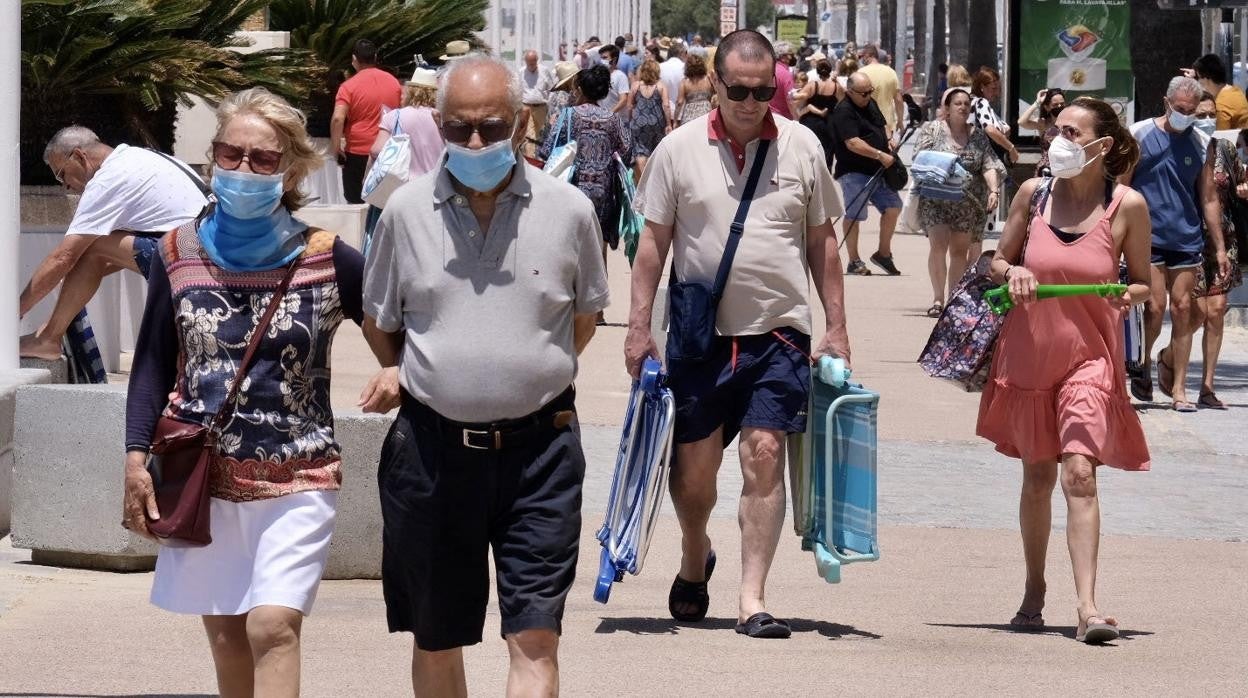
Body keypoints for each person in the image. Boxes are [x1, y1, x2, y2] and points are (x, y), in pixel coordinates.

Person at [358, 53, 608, 696]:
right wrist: (408, 370)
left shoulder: (571, 210)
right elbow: (380, 319)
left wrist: (523, 370)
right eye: (460, 127)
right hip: (433, 455)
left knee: (535, 637)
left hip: (542, 453)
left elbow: (581, 319)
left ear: (522, 122)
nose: (475, 142)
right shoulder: (404, 212)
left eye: (492, 127)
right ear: (437, 123)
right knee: (437, 639)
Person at [122, 87, 365, 694]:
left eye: (262, 159)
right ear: (213, 156)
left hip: (300, 475)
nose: (242, 169)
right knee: (228, 635)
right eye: (231, 153)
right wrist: (134, 457)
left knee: (273, 626)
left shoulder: (328, 257)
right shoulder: (176, 251)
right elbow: (153, 361)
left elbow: (398, 332)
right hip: (201, 472)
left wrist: (397, 369)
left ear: (288, 171)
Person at [627, 29, 850, 640]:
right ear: (716, 84)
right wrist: (638, 326)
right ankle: (695, 552)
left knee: (765, 453)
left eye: (762, 89)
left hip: (777, 335)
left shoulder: (803, 146)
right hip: (700, 338)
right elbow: (653, 245)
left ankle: (753, 598)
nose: (751, 101)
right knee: (694, 474)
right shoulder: (678, 150)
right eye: (738, 90)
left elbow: (822, 243)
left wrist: (836, 326)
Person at [977, 96, 1152, 645]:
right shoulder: (1033, 195)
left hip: (1092, 358)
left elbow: (1147, 281)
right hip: (1030, 354)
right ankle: (1034, 589)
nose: (1059, 140)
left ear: (1102, 146)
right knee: (1037, 477)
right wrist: (1016, 271)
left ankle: (1088, 607)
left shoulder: (1127, 205)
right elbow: (995, 262)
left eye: (1073, 133)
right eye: (1057, 129)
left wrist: (1130, 293)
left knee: (1080, 471)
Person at [19, 127, 207, 361]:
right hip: (203, 248)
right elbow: (124, 252)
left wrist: (16, 310)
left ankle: (48, 340)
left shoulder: (108, 180)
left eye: (61, 174)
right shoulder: (140, 157)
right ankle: (49, 334)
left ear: (79, 156)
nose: (64, 186)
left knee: (92, 247)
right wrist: (72, 281)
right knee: (96, 248)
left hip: (191, 256)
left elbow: (63, 256)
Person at [1123, 76, 1227, 411]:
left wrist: (1220, 246)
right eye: (1180, 109)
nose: (1186, 115)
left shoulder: (1201, 142)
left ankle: (1180, 388)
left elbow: (1209, 198)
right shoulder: (1138, 134)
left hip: (1185, 237)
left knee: (1183, 310)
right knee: (1153, 308)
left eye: (1192, 111)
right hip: (1146, 236)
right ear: (1167, 102)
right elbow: (1122, 186)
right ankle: (1142, 364)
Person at [915, 87, 1006, 317]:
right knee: (938, 246)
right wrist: (945, 166)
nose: (964, 108)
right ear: (947, 107)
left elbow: (988, 164)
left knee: (959, 251)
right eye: (958, 104)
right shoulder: (932, 130)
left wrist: (994, 190)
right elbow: (919, 158)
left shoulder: (977, 134)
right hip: (936, 199)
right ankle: (937, 299)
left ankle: (952, 299)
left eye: (967, 104)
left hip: (967, 203)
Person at [538, 65, 633, 262]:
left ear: (580, 89)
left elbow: (547, 151)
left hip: (572, 190)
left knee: (571, 249)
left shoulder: (568, 115)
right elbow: (626, 151)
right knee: (599, 252)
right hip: (604, 194)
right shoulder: (613, 119)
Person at [1191, 112, 1245, 409]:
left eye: (1213, 113)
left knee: (1218, 309)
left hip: (1224, 237)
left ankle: (1207, 386)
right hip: (1188, 237)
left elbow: (1242, 180)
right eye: (1201, 114)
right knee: (1196, 312)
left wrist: (1243, 189)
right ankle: (1168, 360)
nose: (1208, 119)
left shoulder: (1224, 148)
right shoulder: (1182, 147)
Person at [831, 71, 904, 276]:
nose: (867, 96)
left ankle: (883, 254)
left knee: (893, 207)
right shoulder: (843, 111)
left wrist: (889, 139)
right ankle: (854, 261)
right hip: (854, 170)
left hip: (878, 170)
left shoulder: (869, 103)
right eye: (863, 93)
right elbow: (852, 142)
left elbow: (882, 126)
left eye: (870, 92)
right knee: (855, 215)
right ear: (850, 92)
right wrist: (879, 154)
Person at [331, 39, 402, 203]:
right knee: (383, 202)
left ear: (354, 59)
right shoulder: (393, 82)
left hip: (357, 152)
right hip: (387, 151)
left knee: (356, 203)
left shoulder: (348, 86)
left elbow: (337, 118)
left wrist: (335, 148)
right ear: (375, 56)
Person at [369, 67, 446, 182]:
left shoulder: (394, 116)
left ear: (410, 91)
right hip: (436, 183)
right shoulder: (442, 117)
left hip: (402, 185)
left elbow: (376, 150)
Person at [626, 58, 674, 181]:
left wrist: (630, 120)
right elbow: (666, 106)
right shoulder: (661, 86)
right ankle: (654, 180)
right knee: (655, 150)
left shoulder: (635, 85)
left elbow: (630, 106)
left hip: (638, 122)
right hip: (657, 122)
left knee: (640, 152)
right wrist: (669, 124)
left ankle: (643, 180)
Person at [794, 58, 841, 168]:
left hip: (811, 123)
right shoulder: (836, 87)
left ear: (817, 71)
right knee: (827, 153)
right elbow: (843, 102)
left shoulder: (812, 85)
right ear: (830, 70)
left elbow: (798, 98)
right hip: (829, 122)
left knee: (810, 153)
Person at [970, 67, 1019, 165]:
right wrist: (1011, 148)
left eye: (998, 89)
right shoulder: (981, 102)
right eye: (993, 89)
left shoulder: (973, 102)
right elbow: (990, 129)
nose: (996, 93)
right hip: (987, 159)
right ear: (982, 87)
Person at [857, 44, 905, 138]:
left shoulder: (861, 73)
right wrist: (900, 121)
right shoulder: (891, 72)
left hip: (866, 123)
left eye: (863, 56)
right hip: (887, 123)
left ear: (868, 55)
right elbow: (899, 100)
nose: (862, 59)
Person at [1191, 53, 1248, 129]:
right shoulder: (1235, 91)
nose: (1198, 82)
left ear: (1208, 79)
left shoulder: (1221, 106)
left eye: (1199, 78)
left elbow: (1221, 139)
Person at [1018, 88, 1066, 176]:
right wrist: (1037, 102)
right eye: (1055, 105)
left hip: (1066, 169)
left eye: (1062, 104)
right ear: (1047, 107)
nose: (1059, 107)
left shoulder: (1070, 123)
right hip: (1046, 170)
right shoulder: (1043, 123)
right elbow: (1021, 122)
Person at [519, 50, 555, 157]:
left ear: (536, 60)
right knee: (529, 135)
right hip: (526, 107)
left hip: (541, 108)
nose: (531, 65)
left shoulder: (544, 71)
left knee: (541, 134)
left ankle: (541, 157)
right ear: (525, 61)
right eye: (529, 63)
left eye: (533, 62)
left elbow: (551, 88)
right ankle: (531, 159)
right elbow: (518, 89)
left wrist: (549, 103)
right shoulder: (521, 72)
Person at [676, 54, 716, 125]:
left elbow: (679, 102)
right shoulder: (709, 79)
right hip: (706, 115)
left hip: (689, 118)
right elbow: (716, 93)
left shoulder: (684, 82)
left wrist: (675, 120)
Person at [598, 44, 632, 116]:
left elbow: (623, 100)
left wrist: (609, 114)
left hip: (616, 120)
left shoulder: (620, 76)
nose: (602, 61)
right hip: (601, 118)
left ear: (614, 60)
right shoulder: (599, 75)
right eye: (601, 58)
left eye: (605, 58)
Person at [768, 41, 796, 119]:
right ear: (783, 57)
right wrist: (796, 119)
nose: (792, 57)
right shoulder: (786, 75)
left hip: (768, 116)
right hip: (783, 117)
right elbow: (790, 99)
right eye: (790, 54)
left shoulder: (768, 70)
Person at [660, 41, 687, 115]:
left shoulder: (659, 67)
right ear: (682, 53)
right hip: (682, 111)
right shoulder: (686, 68)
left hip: (663, 111)